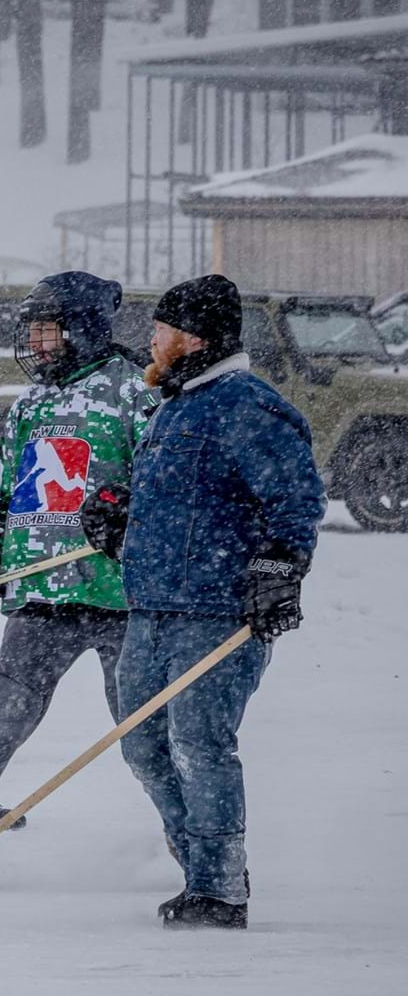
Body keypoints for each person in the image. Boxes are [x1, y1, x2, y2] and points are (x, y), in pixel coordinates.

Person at [87, 275, 323, 928]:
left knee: (199, 745)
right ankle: (202, 863)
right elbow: (176, 501)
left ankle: (219, 889)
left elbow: (297, 498)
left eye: (159, 330)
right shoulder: (172, 405)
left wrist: (281, 566)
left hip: (215, 614)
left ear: (191, 337)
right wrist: (117, 521)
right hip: (150, 607)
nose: (151, 341)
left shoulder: (246, 405)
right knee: (144, 747)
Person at [0, 272, 156, 884]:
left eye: (46, 331)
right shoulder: (27, 407)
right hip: (41, 596)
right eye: (30, 331)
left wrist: (125, 515)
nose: (35, 344)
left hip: (119, 599)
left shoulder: (135, 396)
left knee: (144, 735)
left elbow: (164, 492)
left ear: (82, 330)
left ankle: (201, 858)